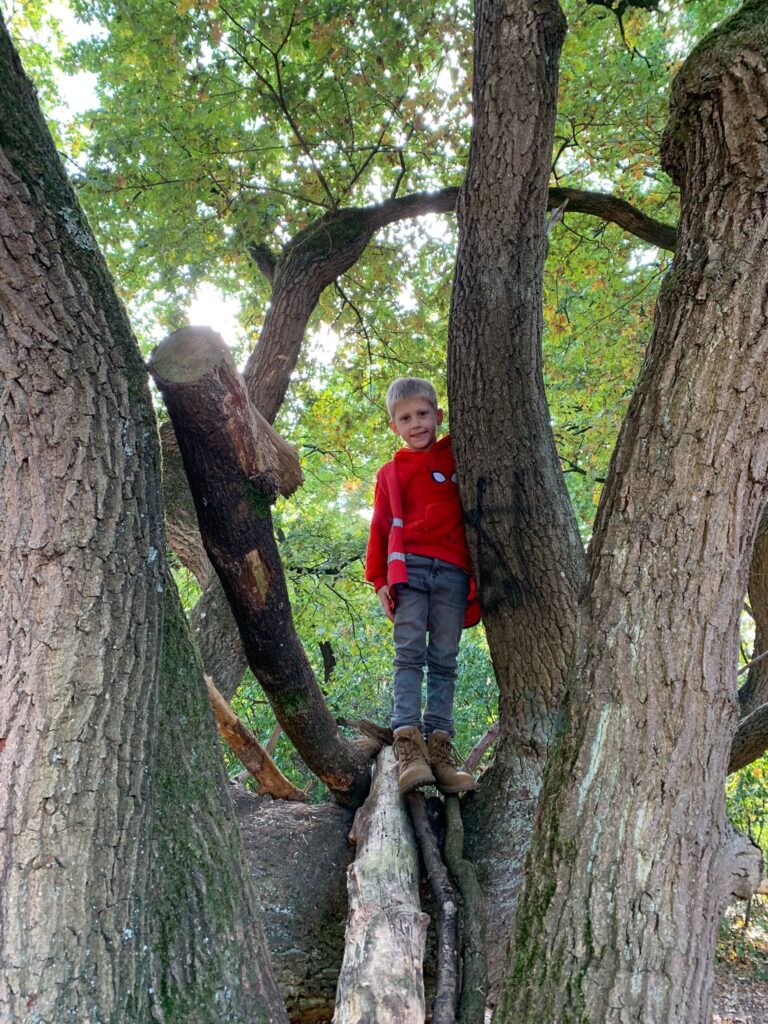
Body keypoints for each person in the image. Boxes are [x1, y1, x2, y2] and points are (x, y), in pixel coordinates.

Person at [365, 377, 480, 795]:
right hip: (409, 572)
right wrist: (379, 580)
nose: (416, 424)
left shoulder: (456, 456)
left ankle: (441, 748)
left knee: (445, 658)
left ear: (439, 416)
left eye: (423, 414)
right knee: (409, 653)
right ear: (394, 426)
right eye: (405, 418)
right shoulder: (391, 473)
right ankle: (408, 745)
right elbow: (379, 527)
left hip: (453, 573)